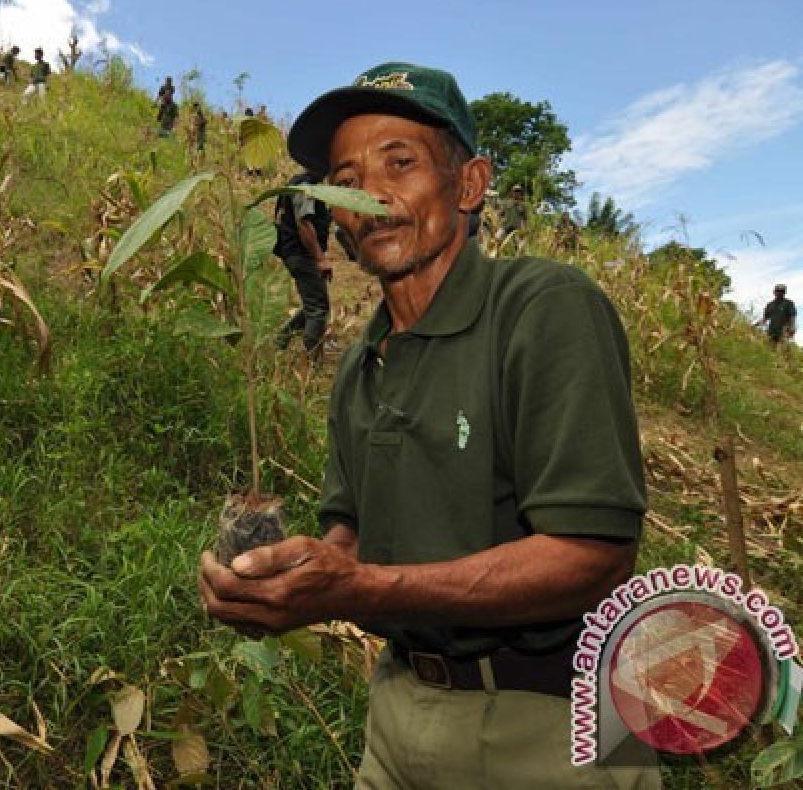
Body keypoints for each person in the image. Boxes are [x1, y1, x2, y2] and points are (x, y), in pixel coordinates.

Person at [199, 61, 660, 790]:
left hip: (549, 726)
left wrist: (358, 588)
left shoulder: (543, 309)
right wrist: (280, 580)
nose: (370, 193)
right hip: (396, 714)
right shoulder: (360, 365)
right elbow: (348, 533)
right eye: (344, 177)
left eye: (401, 162)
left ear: (470, 184)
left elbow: (593, 555)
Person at [272, 170, 333, 360]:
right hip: (301, 253)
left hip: (293, 252)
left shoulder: (298, 183)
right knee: (318, 308)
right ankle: (313, 359)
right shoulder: (305, 187)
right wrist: (320, 259)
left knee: (313, 302)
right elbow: (304, 224)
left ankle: (282, 338)